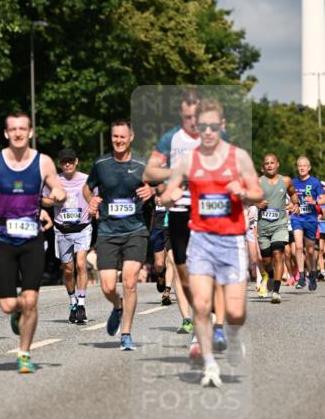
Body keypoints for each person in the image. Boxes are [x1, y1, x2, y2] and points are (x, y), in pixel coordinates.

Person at [162, 98, 263, 388]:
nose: (206, 132)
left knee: (235, 312)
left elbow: (257, 193)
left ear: (222, 126)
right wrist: (167, 197)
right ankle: (209, 366)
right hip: (201, 241)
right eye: (201, 126)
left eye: (212, 126)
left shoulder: (239, 157)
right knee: (202, 305)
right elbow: (170, 190)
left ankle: (231, 336)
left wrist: (242, 190)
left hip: (231, 241)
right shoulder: (188, 160)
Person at [0, 111, 65, 374]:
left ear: (31, 132)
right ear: (6, 133)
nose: (18, 133)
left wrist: (57, 194)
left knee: (31, 300)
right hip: (3, 239)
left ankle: (24, 352)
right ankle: (16, 313)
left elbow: (57, 189)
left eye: (22, 128)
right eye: (13, 129)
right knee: (8, 304)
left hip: (32, 240)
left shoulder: (43, 162)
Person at [144, 89, 228, 358]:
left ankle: (212, 326)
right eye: (187, 115)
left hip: (208, 212)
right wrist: (176, 173)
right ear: (182, 114)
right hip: (179, 211)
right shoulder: (171, 138)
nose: (193, 120)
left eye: (196, 115)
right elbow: (150, 171)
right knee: (184, 275)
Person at [83, 120, 154, 351]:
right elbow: (87, 187)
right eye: (115, 137)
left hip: (135, 230)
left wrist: (152, 190)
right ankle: (118, 305)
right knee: (107, 286)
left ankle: (126, 333)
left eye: (123, 137)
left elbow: (161, 186)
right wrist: (91, 199)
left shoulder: (143, 164)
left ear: (131, 137)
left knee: (130, 280)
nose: (119, 141)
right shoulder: (101, 164)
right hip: (107, 231)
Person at [42, 147, 92, 324]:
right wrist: (54, 200)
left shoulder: (87, 179)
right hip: (62, 231)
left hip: (83, 228)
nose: (68, 163)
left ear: (76, 161)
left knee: (80, 264)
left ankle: (82, 304)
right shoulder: (55, 181)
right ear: (59, 164)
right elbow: (44, 200)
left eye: (71, 160)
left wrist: (96, 207)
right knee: (68, 270)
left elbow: (96, 198)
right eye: (64, 161)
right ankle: (72, 302)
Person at [257, 153, 299, 304]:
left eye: (272, 162)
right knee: (267, 260)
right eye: (266, 163)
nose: (269, 165)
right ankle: (268, 274)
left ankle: (276, 291)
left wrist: (296, 205)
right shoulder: (258, 182)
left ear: (277, 164)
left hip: (280, 225)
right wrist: (256, 203)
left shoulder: (286, 180)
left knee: (278, 253)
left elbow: (293, 194)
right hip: (263, 227)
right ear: (263, 167)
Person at [291, 156, 324, 290]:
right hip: (297, 217)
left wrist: (314, 202)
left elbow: (323, 199)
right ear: (297, 167)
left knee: (310, 251)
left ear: (309, 168)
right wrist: (291, 205)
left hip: (311, 219)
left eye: (305, 165)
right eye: (300, 165)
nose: (302, 168)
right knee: (298, 247)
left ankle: (312, 274)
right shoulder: (292, 183)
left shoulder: (315, 182)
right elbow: (289, 199)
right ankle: (301, 276)